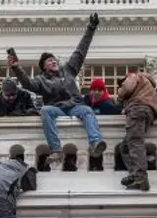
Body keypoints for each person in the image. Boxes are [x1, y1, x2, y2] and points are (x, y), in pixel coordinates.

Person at [7, 13, 106, 166]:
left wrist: (91, 28)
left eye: (54, 59)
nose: (53, 61)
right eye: (49, 60)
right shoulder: (41, 80)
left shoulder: (69, 70)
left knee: (87, 110)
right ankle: (56, 150)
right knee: (46, 110)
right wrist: (16, 68)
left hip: (75, 106)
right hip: (57, 109)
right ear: (44, 66)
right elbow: (27, 84)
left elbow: (81, 50)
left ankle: (95, 142)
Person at [115, 70, 157, 191]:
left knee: (135, 142)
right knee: (125, 147)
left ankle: (140, 176)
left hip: (137, 109)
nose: (121, 85)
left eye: (122, 83)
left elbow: (127, 88)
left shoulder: (134, 76)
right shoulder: (147, 84)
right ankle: (135, 175)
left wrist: (119, 97)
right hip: (147, 112)